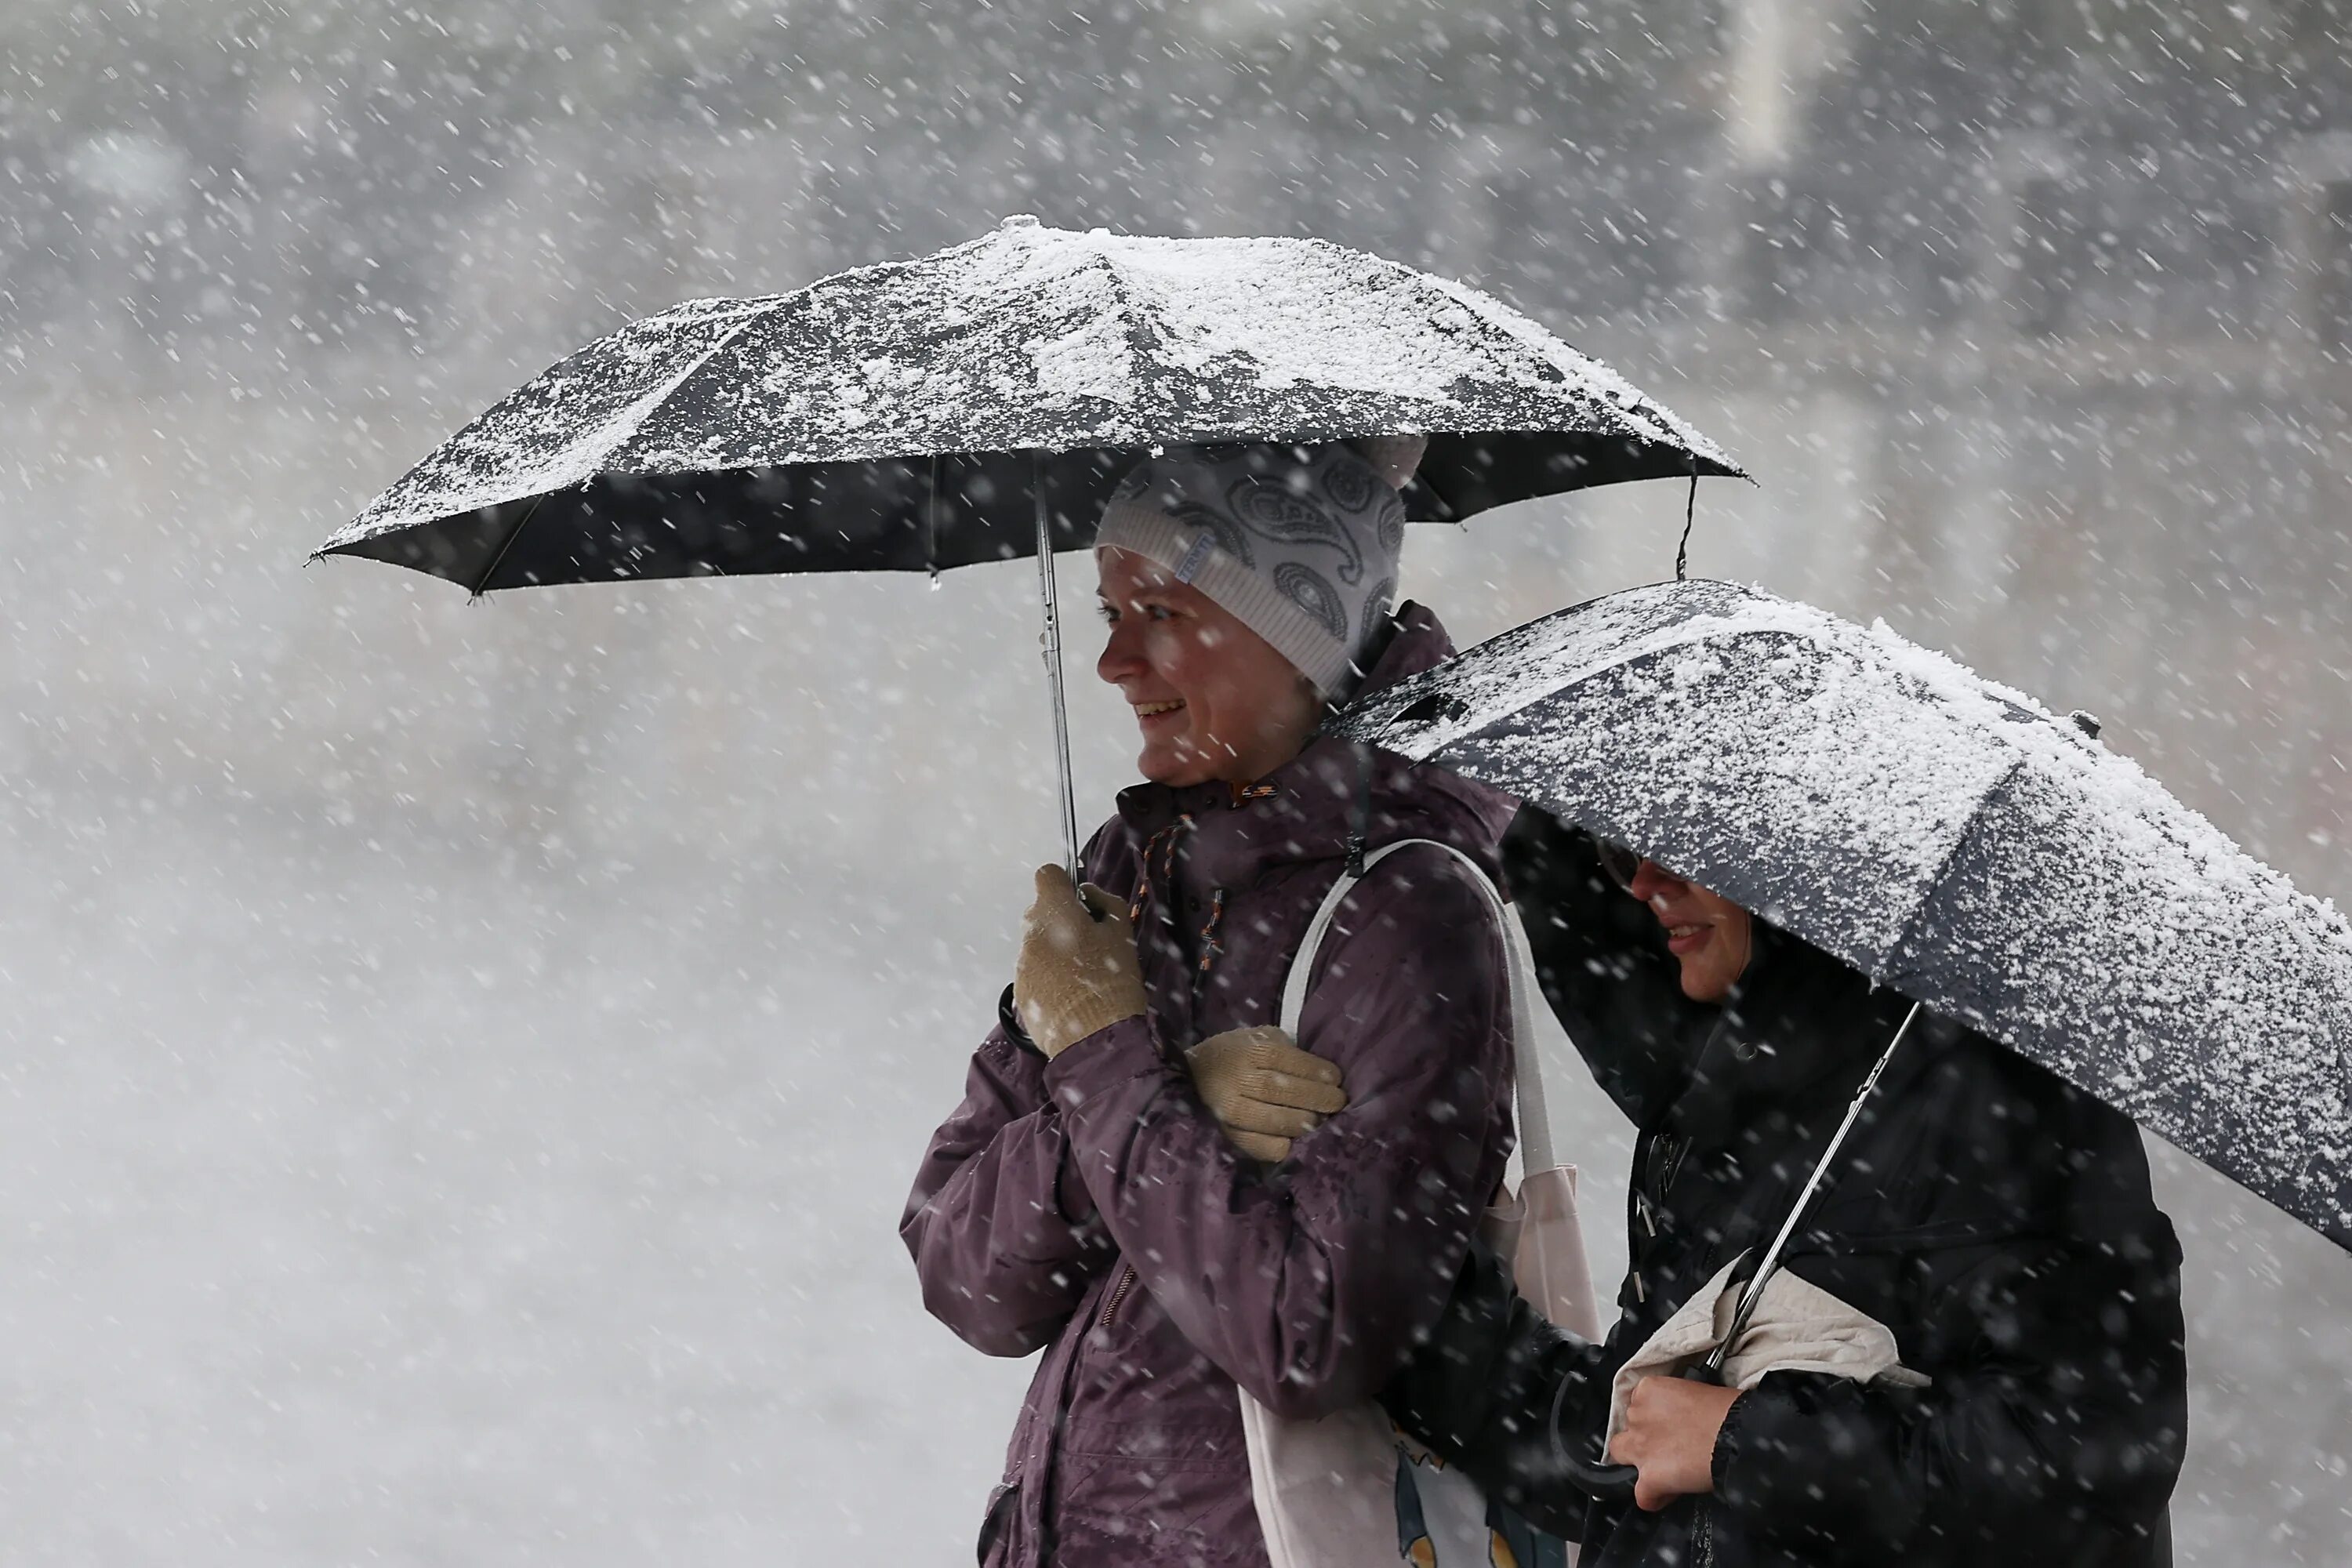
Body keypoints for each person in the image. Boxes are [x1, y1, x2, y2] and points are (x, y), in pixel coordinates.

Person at [900, 440, 1524, 1568]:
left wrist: (1107, 1059)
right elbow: (961, 1270)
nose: (1113, 662)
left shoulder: (1407, 913)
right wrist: (1159, 1090)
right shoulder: (1126, 873)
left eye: (1164, 611)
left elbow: (1311, 1336)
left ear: (1301, 638)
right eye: (1106, 611)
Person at [1356, 809, 2190, 1566]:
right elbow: (1636, 1446)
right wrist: (1378, 1277)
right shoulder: (1731, 1106)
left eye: (1685, 843)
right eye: (1621, 847)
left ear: (1817, 860)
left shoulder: (2006, 1107)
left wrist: (1741, 1442)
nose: (1646, 879)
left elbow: (2087, 1470)